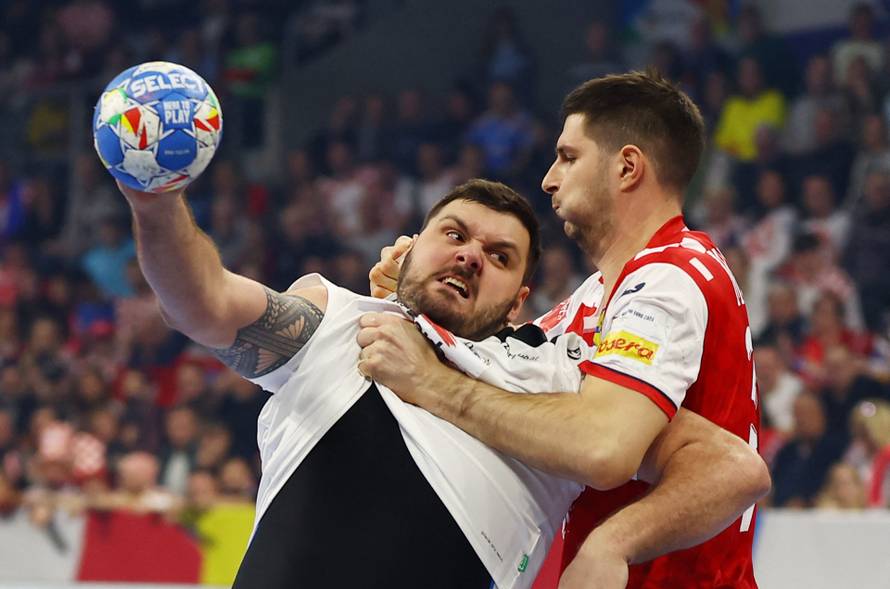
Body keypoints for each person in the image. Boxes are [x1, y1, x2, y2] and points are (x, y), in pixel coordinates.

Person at [115, 175, 766, 589]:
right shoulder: (339, 320)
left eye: (500, 256)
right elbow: (200, 302)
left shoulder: (558, 377)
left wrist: (613, 543)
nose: (470, 255)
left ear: (519, 302)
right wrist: (155, 202)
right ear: (409, 248)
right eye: (454, 235)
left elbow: (733, 469)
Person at [363, 70, 764, 588]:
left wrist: (430, 382)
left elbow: (603, 446)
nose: (549, 179)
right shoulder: (602, 292)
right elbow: (506, 361)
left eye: (568, 157)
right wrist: (415, 291)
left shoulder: (669, 278)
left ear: (627, 168)